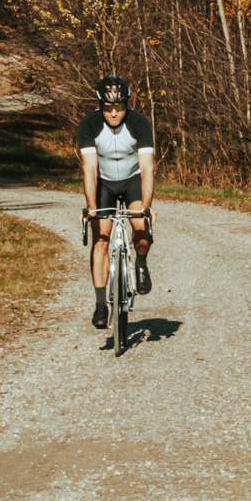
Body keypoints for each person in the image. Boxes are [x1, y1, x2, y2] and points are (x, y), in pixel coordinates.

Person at [77, 75, 155, 328]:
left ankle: (141, 262)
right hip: (104, 183)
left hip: (132, 181)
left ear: (126, 105)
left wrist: (147, 206)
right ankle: (101, 304)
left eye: (119, 107)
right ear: (100, 105)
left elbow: (147, 167)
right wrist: (91, 208)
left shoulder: (139, 122)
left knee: (141, 227)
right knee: (100, 240)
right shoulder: (89, 124)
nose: (113, 113)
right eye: (108, 107)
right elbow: (89, 168)